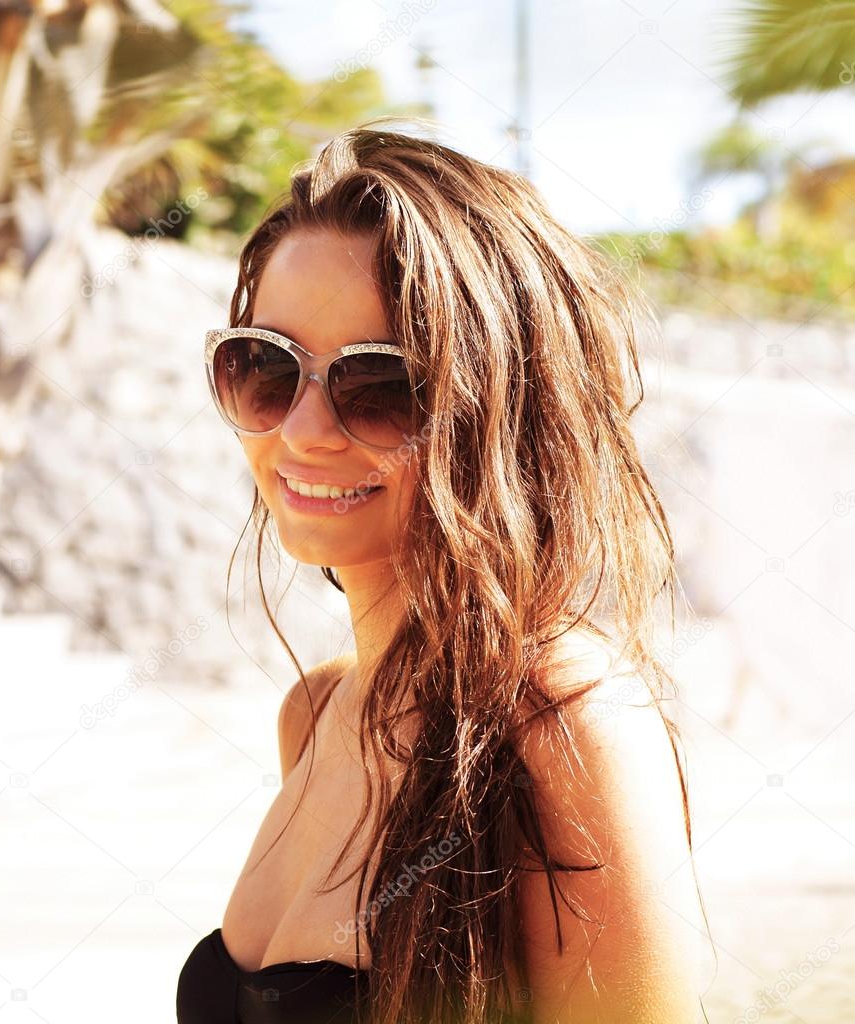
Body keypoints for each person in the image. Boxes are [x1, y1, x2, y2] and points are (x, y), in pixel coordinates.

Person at [177, 117, 709, 1024]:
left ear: (506, 413)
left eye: (382, 386)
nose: (303, 431)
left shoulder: (565, 718)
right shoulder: (312, 716)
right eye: (265, 368)